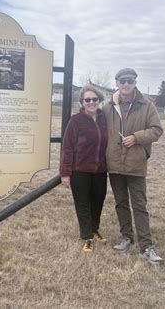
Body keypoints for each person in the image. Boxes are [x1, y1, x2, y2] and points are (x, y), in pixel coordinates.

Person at [103, 68, 164, 264]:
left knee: (139, 205)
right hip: (114, 163)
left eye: (130, 81)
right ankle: (126, 237)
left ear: (135, 83)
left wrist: (137, 138)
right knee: (121, 203)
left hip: (136, 163)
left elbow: (156, 130)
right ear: (117, 84)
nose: (126, 84)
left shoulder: (147, 105)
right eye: (123, 81)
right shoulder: (108, 107)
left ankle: (146, 246)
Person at [60, 85, 109, 253]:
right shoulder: (76, 121)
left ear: (99, 100)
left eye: (94, 99)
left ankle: (95, 229)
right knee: (83, 203)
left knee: (98, 201)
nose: (91, 102)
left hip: (101, 170)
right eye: (87, 99)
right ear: (82, 102)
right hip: (80, 170)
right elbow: (67, 148)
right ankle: (87, 236)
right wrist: (65, 173)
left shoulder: (104, 119)